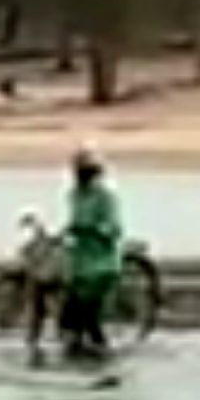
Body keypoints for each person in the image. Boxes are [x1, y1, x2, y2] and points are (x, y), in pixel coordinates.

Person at [58, 147, 123, 361]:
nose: (82, 176)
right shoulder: (74, 195)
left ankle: (104, 354)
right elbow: (72, 222)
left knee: (89, 315)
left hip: (101, 263)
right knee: (69, 315)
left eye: (86, 172)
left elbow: (114, 228)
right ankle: (76, 353)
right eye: (79, 171)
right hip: (79, 262)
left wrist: (95, 230)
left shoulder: (106, 196)